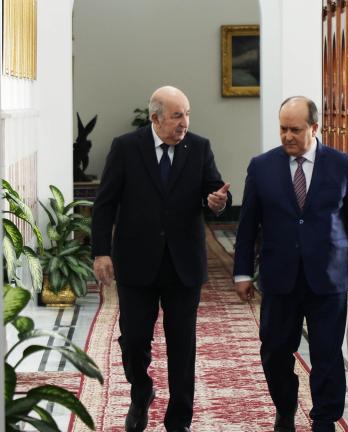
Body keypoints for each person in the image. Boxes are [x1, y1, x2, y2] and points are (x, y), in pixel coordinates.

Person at [233, 96, 348, 432]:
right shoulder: (261, 167)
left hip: (329, 276)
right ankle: (285, 407)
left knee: (327, 353)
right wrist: (242, 272)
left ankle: (324, 419)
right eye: (283, 129)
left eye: (295, 130)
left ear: (314, 127)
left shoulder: (343, 165)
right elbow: (247, 225)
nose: (287, 136)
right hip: (279, 276)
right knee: (274, 351)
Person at [92, 86, 232, 432]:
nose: (184, 123)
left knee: (182, 345)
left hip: (184, 263)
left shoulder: (199, 147)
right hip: (136, 262)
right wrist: (101, 252)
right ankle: (141, 392)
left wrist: (217, 202)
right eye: (176, 116)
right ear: (155, 118)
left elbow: (213, 190)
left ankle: (179, 421)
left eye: (187, 114)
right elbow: (105, 204)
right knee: (134, 339)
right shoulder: (126, 147)